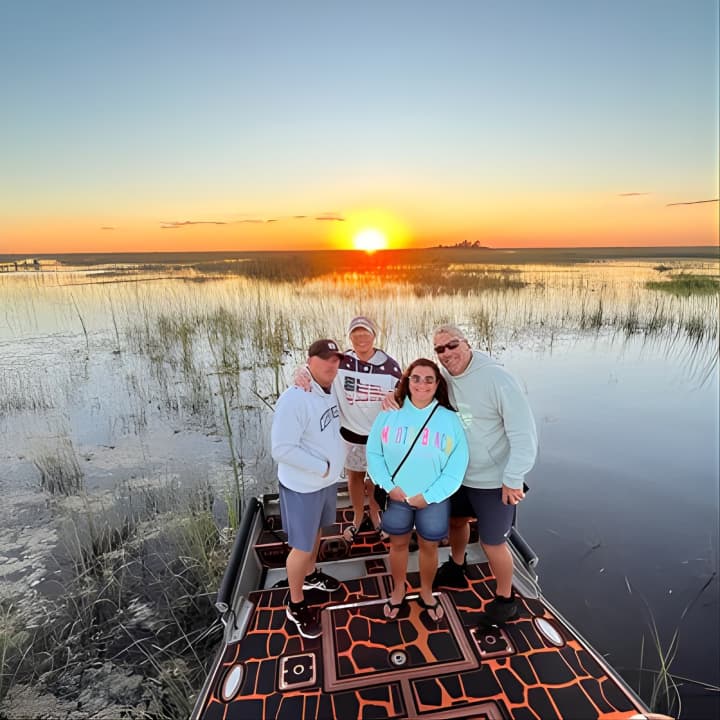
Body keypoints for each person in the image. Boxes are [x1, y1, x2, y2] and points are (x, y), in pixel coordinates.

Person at [429, 324, 538, 628]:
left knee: (492, 542)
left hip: (495, 481)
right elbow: (416, 387)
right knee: (456, 521)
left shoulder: (497, 379)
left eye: (452, 345)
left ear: (467, 343)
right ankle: (457, 565)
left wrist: (514, 477)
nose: (447, 353)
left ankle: (505, 600)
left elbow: (525, 434)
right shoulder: (446, 377)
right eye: (440, 349)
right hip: (460, 474)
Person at [367, 359, 469, 621]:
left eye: (429, 379)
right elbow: (374, 453)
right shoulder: (389, 413)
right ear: (407, 381)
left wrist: (430, 496)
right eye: (416, 378)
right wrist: (389, 487)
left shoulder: (450, 420)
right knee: (398, 544)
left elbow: (456, 467)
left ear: (437, 385)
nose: (422, 384)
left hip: (432, 499)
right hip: (397, 495)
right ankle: (398, 588)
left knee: (429, 546)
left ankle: (426, 592)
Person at [296, 316, 402, 543]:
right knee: (354, 477)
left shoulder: (390, 366)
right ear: (349, 337)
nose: (361, 338)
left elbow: (403, 394)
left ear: (375, 335)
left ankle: (375, 515)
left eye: (365, 333)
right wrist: (302, 371)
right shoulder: (341, 362)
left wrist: (397, 393)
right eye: (355, 333)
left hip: (377, 437)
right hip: (349, 435)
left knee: (375, 479)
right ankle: (357, 517)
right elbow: (316, 370)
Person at [271, 339, 348, 639]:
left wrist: (329, 473)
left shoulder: (331, 388)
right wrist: (323, 468)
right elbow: (281, 449)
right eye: (324, 359)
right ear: (310, 360)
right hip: (304, 486)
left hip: (324, 485)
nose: (331, 365)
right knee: (301, 547)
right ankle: (295, 603)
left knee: (316, 534)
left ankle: (311, 575)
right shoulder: (295, 398)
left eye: (335, 360)